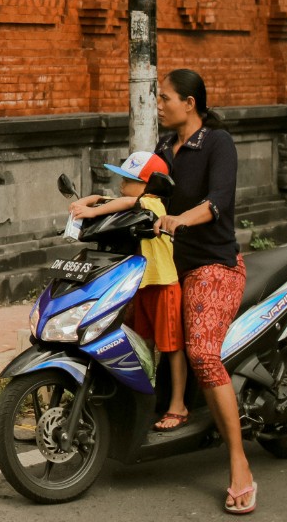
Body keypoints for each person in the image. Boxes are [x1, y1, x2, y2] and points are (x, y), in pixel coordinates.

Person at [153, 68, 256, 516]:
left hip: (214, 265)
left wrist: (181, 219)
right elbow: (144, 195)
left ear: (189, 103)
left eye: (165, 98)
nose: (159, 104)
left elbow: (219, 201)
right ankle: (172, 403)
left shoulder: (218, 142)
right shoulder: (164, 148)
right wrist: (96, 205)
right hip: (170, 265)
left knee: (202, 352)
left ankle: (239, 464)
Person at [68, 150, 189, 431]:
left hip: (163, 285)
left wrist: (94, 208)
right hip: (142, 287)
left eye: (129, 179)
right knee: (142, 344)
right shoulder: (136, 203)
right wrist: (92, 200)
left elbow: (128, 201)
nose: (122, 184)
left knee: (171, 348)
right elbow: (119, 201)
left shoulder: (154, 206)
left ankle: (178, 404)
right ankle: (144, 402)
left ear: (149, 185)